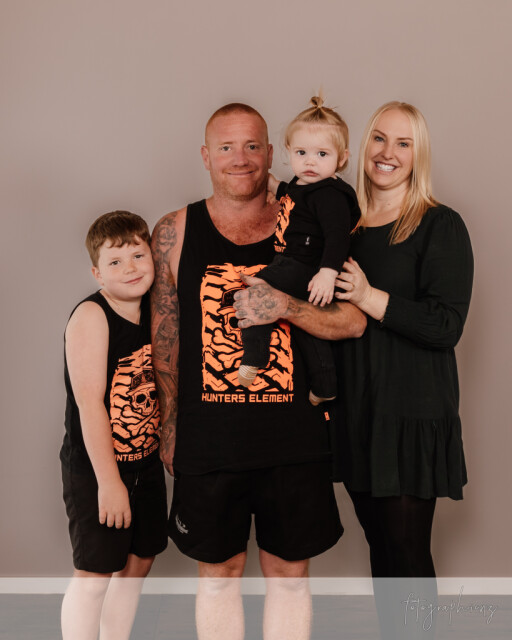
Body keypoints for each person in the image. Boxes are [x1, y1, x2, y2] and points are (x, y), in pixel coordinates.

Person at [235, 102, 474, 638]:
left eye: (404, 143)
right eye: (380, 139)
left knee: (407, 553)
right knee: (381, 549)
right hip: (356, 412)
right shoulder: (347, 224)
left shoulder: (439, 224)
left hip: (410, 414)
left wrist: (369, 297)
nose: (388, 153)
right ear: (360, 149)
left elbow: (446, 325)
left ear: (419, 155)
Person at [150, 103, 366, 640]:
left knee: (289, 576)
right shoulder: (174, 231)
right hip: (209, 441)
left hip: (295, 438)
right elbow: (164, 342)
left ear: (272, 153)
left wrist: (287, 307)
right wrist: (169, 427)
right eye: (226, 147)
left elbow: (354, 320)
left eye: (252, 146)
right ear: (206, 156)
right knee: (218, 576)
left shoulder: (310, 218)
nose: (240, 159)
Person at [60, 211, 168, 640]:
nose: (130, 268)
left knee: (140, 560)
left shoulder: (156, 310)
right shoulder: (93, 315)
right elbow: (89, 404)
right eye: (116, 261)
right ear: (97, 273)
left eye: (138, 255)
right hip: (99, 468)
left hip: (145, 460)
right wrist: (109, 483)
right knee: (95, 572)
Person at [237, 95, 361, 407]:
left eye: (322, 154)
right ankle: (325, 384)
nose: (310, 162)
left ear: (342, 159)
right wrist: (276, 186)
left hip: (307, 266)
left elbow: (337, 237)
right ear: (289, 152)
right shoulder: (305, 183)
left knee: (258, 289)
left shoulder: (331, 195)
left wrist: (327, 273)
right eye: (301, 153)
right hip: (299, 264)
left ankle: (254, 356)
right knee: (308, 326)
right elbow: (294, 195)